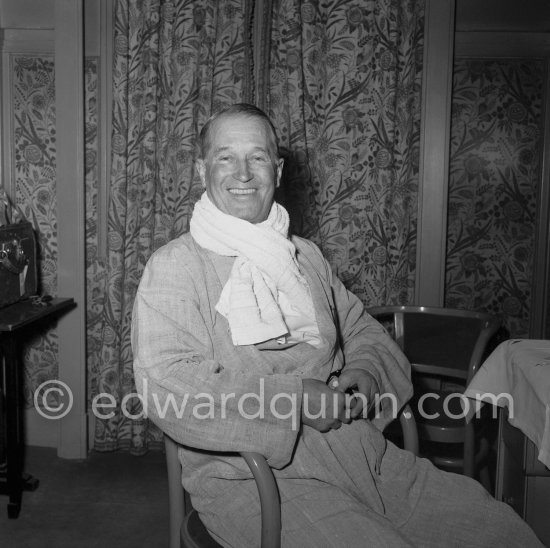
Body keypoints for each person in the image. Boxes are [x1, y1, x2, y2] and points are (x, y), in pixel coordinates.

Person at [131, 103, 542, 547]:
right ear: (202, 169)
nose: (243, 173)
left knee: (503, 532)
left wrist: (365, 372)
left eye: (258, 156)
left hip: (364, 456)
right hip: (253, 479)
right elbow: (167, 383)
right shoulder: (175, 265)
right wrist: (294, 401)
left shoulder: (305, 257)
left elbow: (364, 332)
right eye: (226, 157)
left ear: (279, 169)